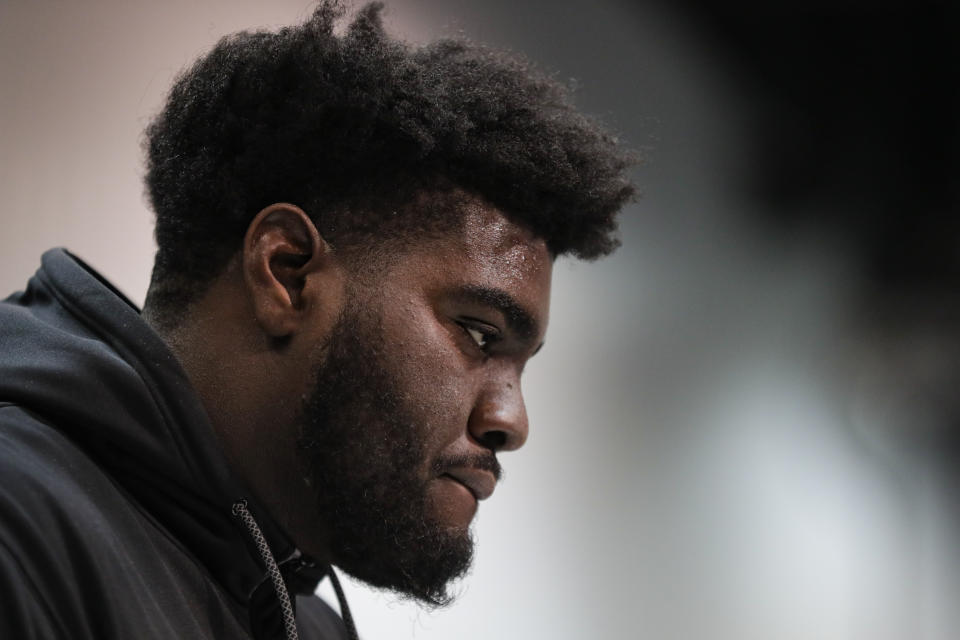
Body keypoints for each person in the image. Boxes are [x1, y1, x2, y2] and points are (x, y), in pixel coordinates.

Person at [0, 2, 634, 639]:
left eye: (521, 368)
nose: (510, 422)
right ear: (287, 272)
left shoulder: (307, 620)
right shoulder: (20, 527)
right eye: (478, 333)